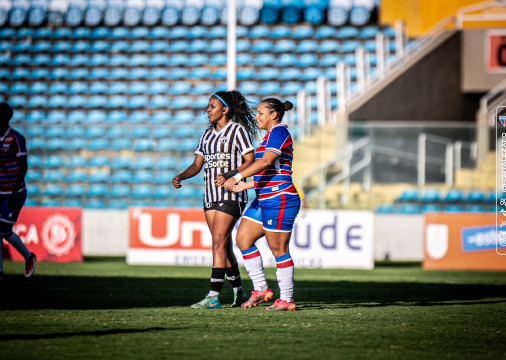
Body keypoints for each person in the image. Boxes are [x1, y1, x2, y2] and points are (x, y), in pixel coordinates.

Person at [172, 90, 259, 309]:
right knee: (223, 245)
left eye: (212, 106)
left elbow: (251, 160)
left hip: (232, 194)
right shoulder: (207, 134)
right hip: (209, 196)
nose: (207, 110)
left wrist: (230, 175)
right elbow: (196, 165)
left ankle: (213, 296)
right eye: (208, 107)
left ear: (225, 109)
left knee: (218, 241)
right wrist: (181, 176)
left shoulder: (237, 131)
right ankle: (239, 291)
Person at [223, 98, 301, 311]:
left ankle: (287, 299)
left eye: (260, 113)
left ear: (273, 115)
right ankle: (261, 290)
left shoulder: (279, 132)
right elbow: (267, 170)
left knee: (278, 248)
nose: (256, 117)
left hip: (280, 198)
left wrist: (238, 177)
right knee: (243, 239)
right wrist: (246, 185)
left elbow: (265, 162)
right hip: (264, 198)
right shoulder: (268, 136)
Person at [0, 102, 36, 281]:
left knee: (3, 229)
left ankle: (29, 256)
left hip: (13, 192)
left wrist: (14, 191)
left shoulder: (16, 138)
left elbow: (23, 167)